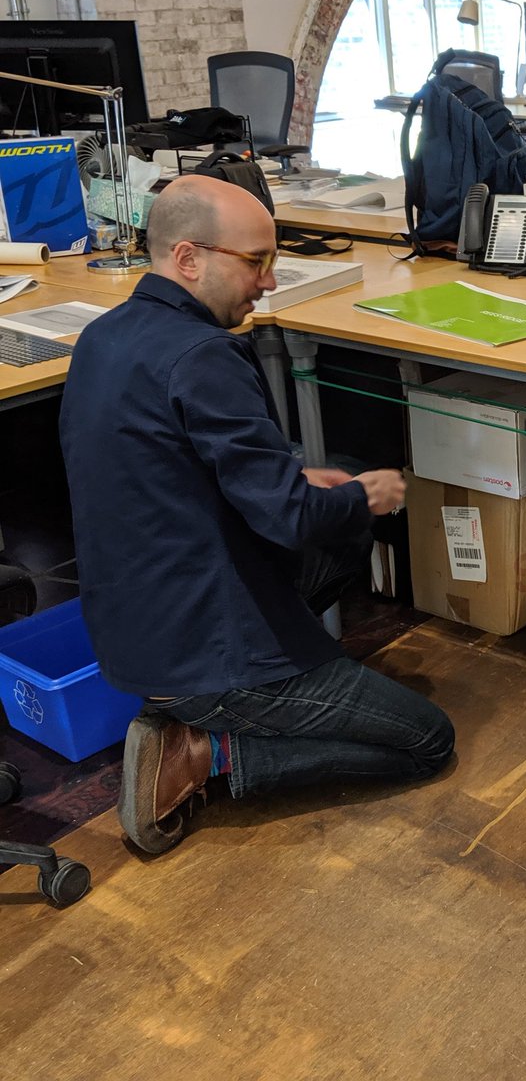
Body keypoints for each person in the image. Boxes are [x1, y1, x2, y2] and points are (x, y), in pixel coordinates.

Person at [59, 175, 455, 855]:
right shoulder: (203, 356)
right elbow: (291, 521)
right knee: (428, 740)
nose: (268, 282)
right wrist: (364, 495)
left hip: (134, 629)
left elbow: (167, 469)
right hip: (204, 651)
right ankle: (209, 751)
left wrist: (294, 480)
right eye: (255, 262)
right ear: (189, 258)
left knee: (340, 531)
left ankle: (239, 705)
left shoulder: (105, 335)